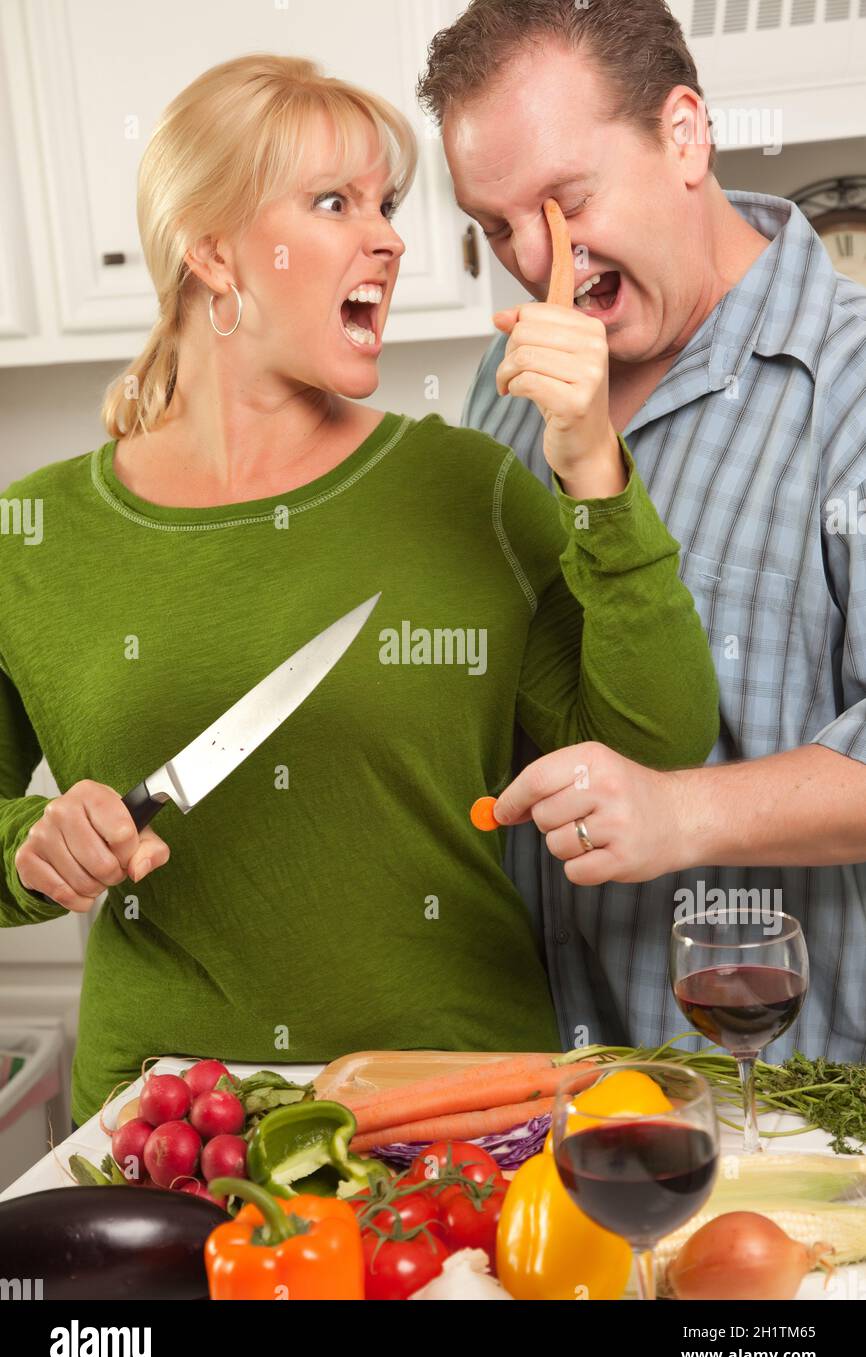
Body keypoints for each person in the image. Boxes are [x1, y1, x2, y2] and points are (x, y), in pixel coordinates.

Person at [0, 54, 717, 1126]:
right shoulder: (35, 536)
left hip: (465, 1106)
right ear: (212, 254)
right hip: (176, 1117)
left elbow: (653, 742)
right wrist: (31, 845)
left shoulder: (464, 485)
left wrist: (593, 470)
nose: (386, 235)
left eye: (386, 203)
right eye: (333, 202)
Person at [417, 0, 866, 1060]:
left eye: (562, 202)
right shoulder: (505, 379)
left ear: (681, 136)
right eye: (493, 226)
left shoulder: (846, 384)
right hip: (548, 1087)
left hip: (786, 1097)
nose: (537, 261)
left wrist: (678, 812)